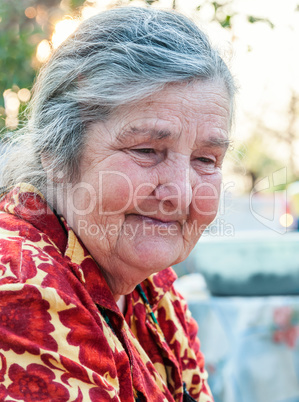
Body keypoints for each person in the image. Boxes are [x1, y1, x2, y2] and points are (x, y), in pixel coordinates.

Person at [0, 6, 235, 402]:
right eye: (146, 150)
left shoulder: (150, 286)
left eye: (205, 160)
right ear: (57, 153)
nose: (180, 192)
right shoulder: (20, 286)